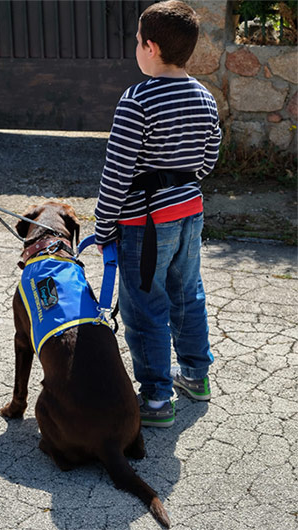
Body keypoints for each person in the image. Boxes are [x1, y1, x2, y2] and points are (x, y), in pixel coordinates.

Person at [95, 0, 221, 427]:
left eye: (136, 40)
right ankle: (195, 376)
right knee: (188, 294)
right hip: (189, 212)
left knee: (145, 307)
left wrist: (103, 226)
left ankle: (154, 400)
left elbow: (116, 173)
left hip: (143, 225)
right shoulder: (203, 96)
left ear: (150, 46)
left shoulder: (137, 100)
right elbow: (208, 159)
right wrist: (179, 182)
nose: (135, 46)